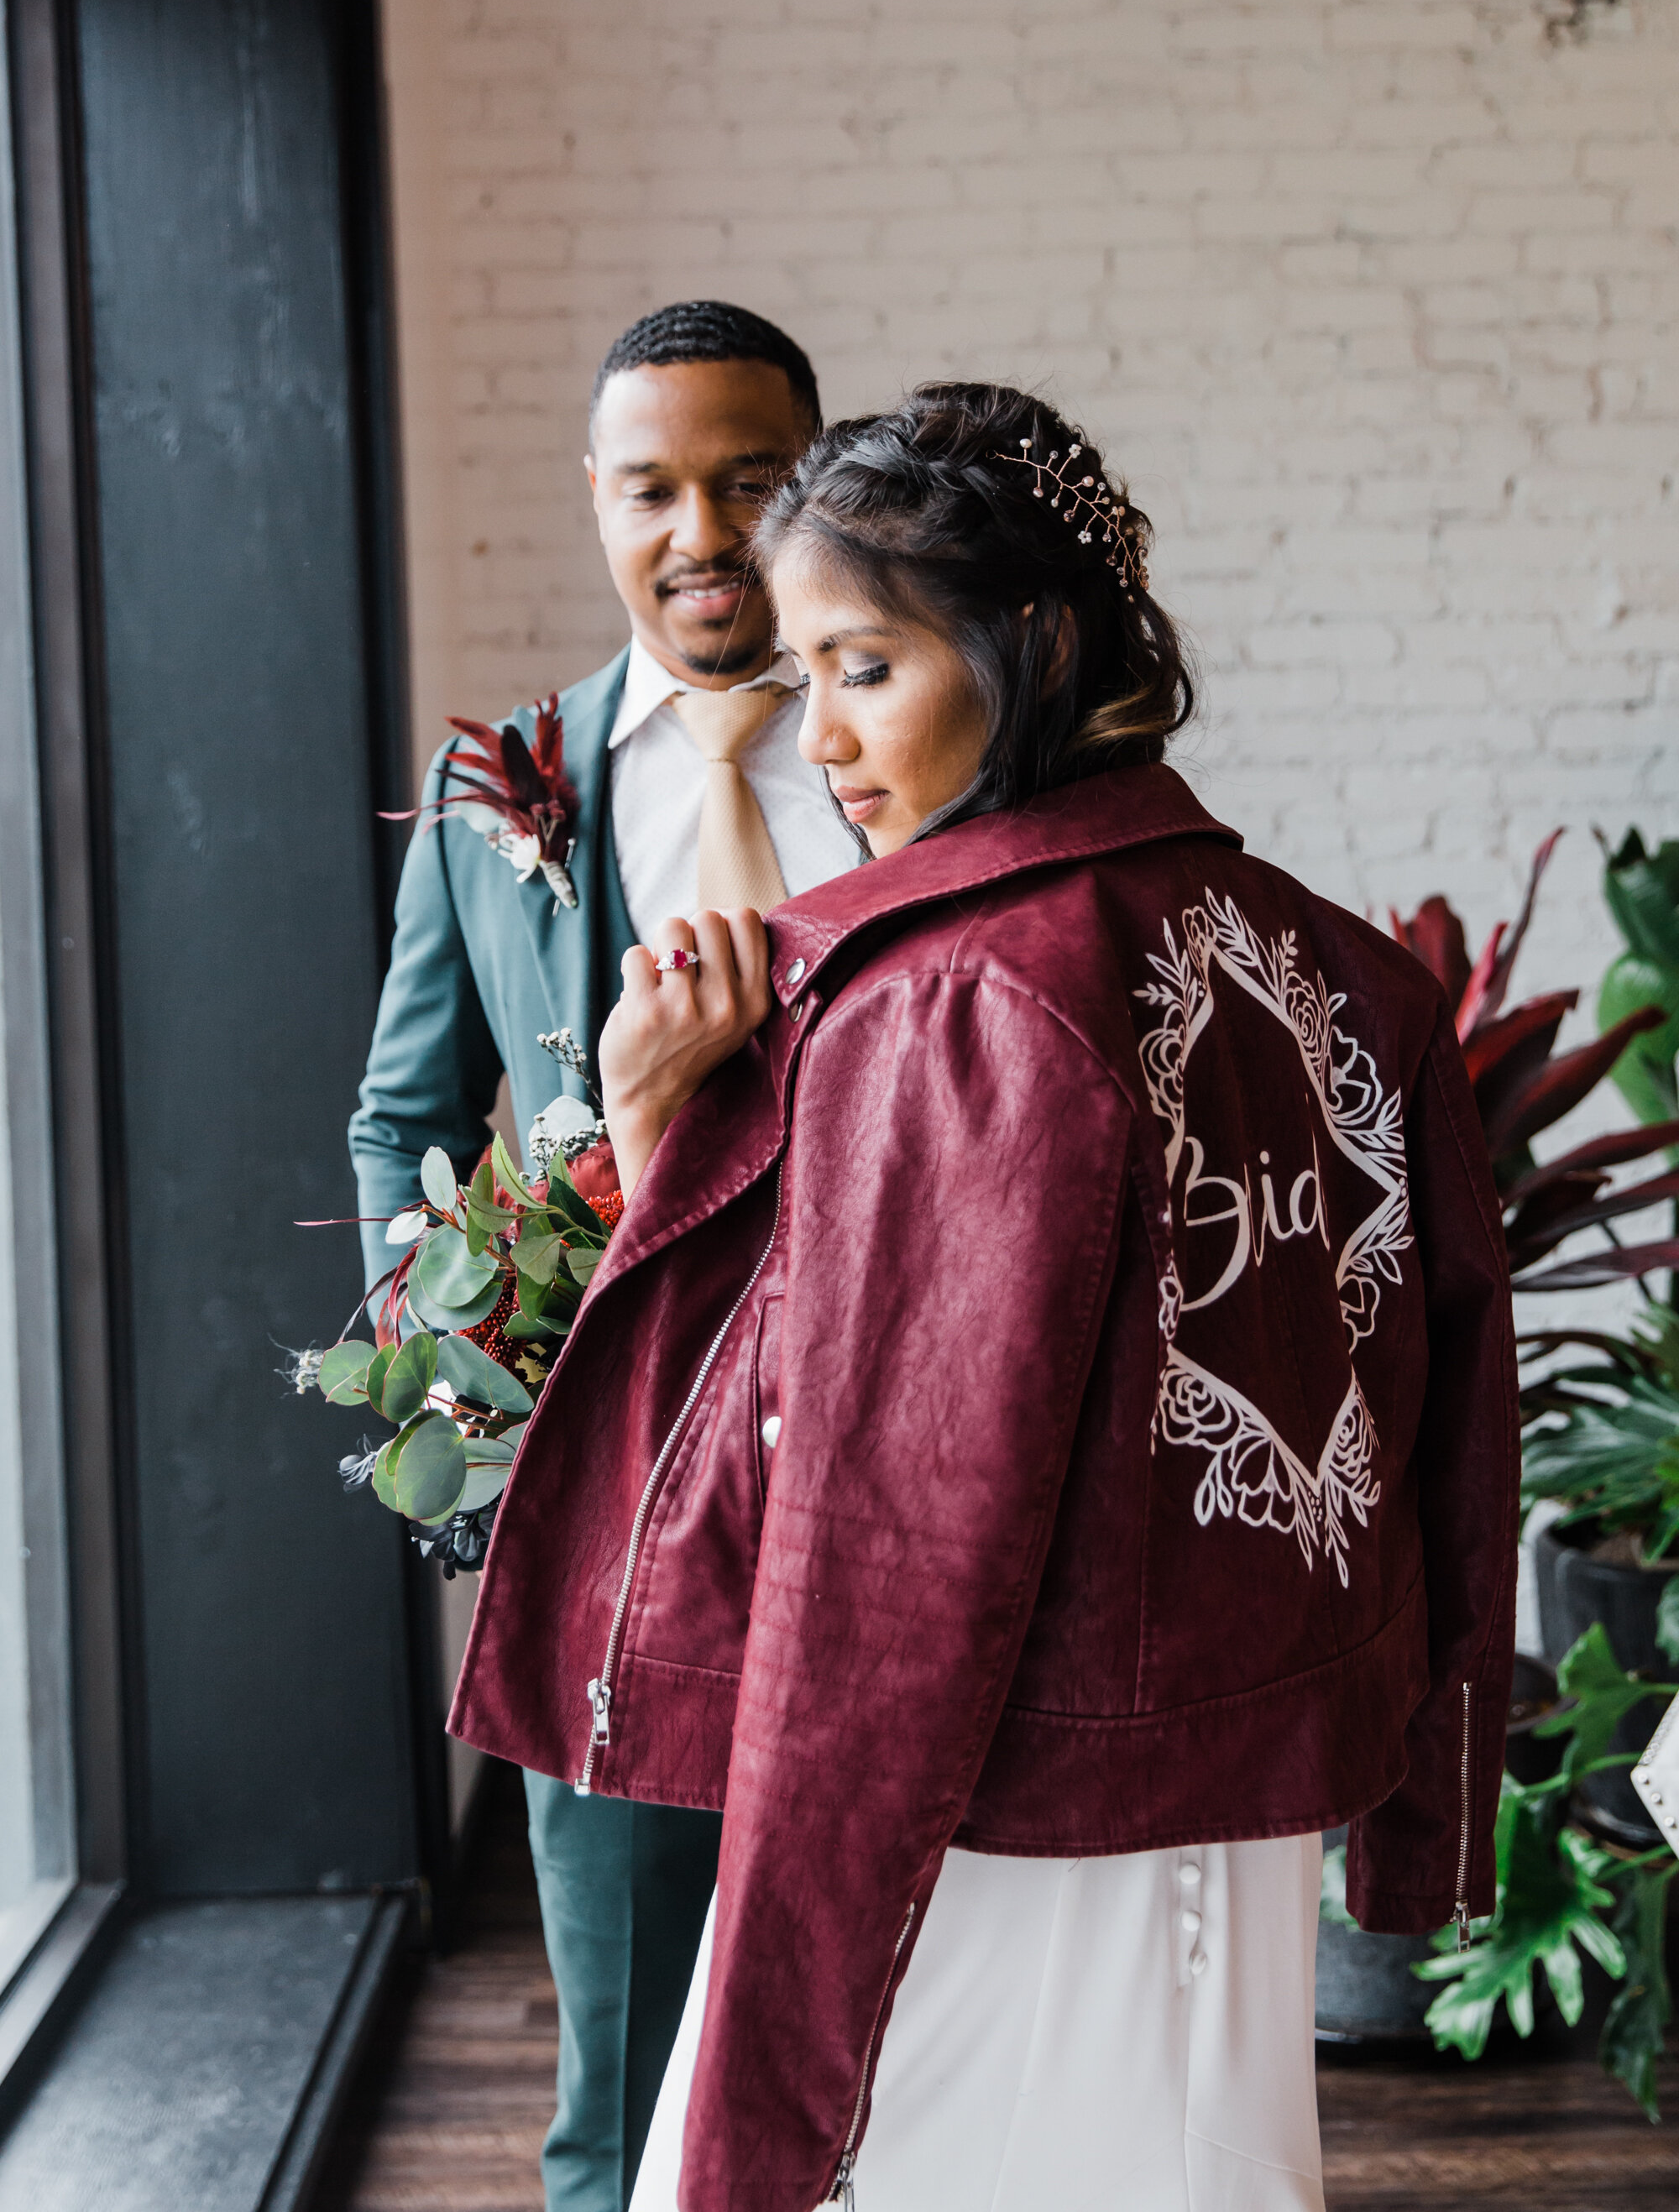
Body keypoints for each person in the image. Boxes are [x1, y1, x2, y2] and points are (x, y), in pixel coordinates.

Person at [451, 384, 1519, 2212]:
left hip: (1005, 1826)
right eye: (807, 680)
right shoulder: (1339, 972)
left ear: (1026, 642)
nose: (831, 745)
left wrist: (768, 2061)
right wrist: (1424, 1810)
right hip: (1231, 1795)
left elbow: (893, 1557)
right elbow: (1440, 1428)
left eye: (866, 668)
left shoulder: (956, 1005)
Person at [349, 301, 861, 2212]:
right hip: (617, 1476)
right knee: (623, 2041)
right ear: (596, 502)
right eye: (653, 487)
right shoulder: (504, 789)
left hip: (876, 1458)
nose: (704, 530)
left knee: (896, 1988)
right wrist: (448, 1356)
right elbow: (399, 1114)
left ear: (822, 479)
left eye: (753, 480)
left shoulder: (906, 747)